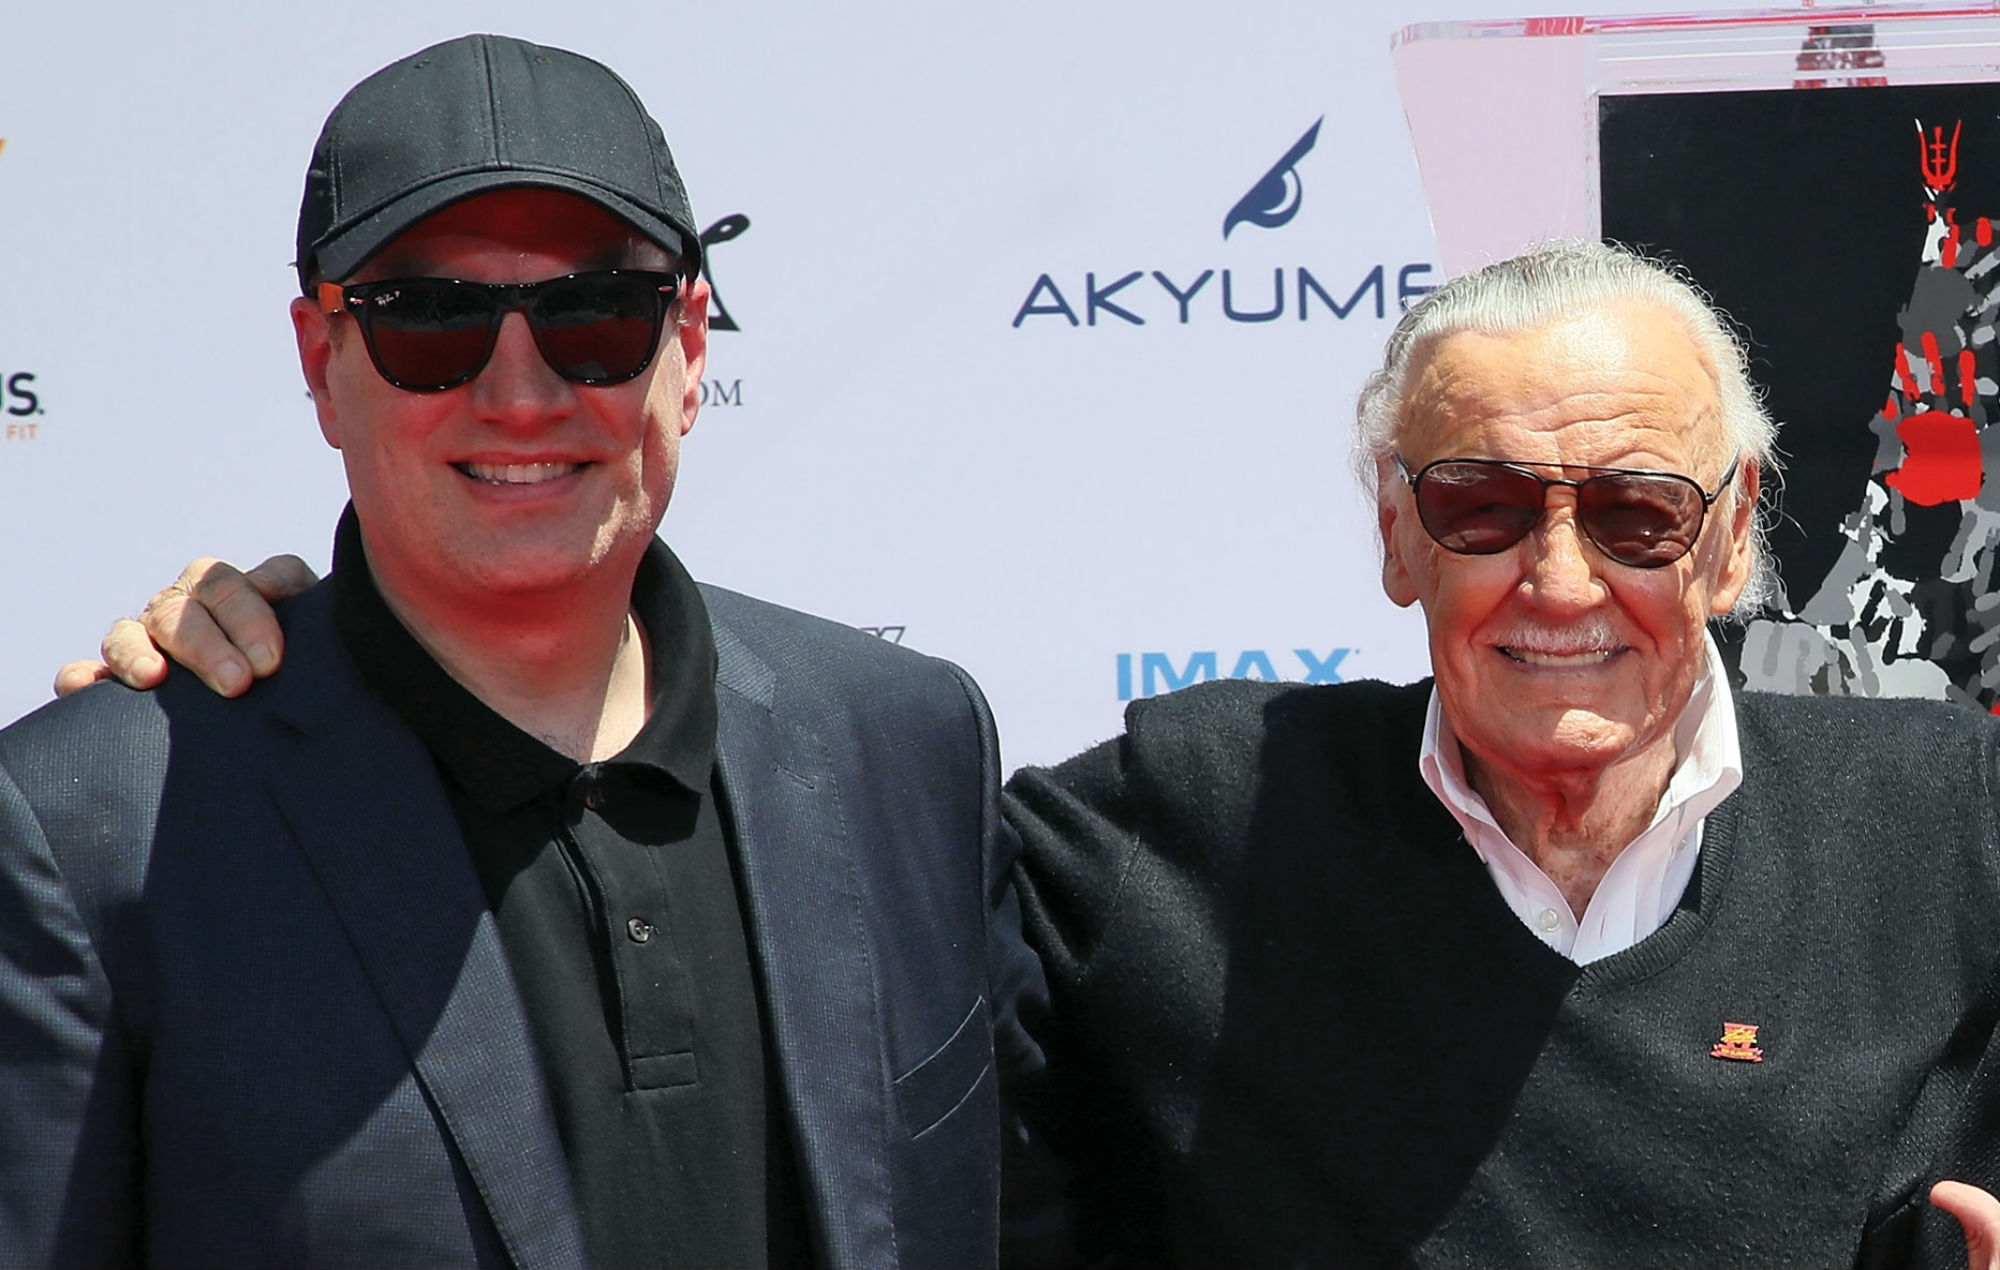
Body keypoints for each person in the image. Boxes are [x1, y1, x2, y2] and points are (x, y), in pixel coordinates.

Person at [66, 240, 2000, 1266]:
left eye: (1638, 515)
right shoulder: (1172, 825)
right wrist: (330, 658)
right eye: (1483, 507)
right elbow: (707, 822)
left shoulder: (1953, 827)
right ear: (1396, 540)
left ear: (1733, 540)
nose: (1558, 579)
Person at [2, 33, 1034, 1268]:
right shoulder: (98, 830)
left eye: (595, 312)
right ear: (321, 365)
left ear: (690, 350)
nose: (520, 393)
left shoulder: (905, 750)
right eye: (430, 319)